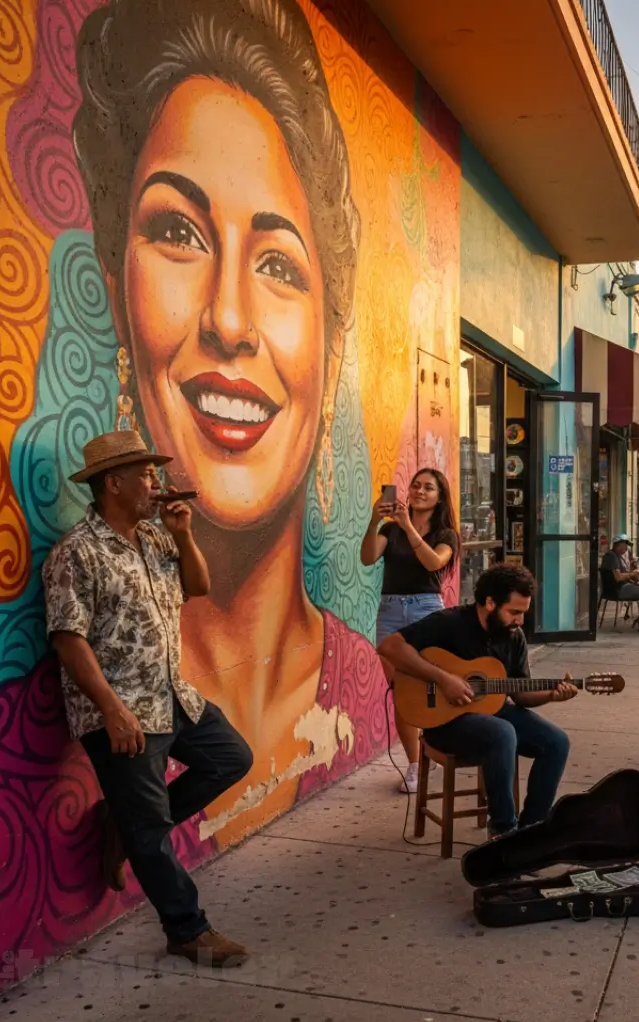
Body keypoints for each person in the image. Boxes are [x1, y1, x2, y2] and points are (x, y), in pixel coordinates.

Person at [70, 0, 382, 845]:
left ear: (333, 331)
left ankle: (144, 858)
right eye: (178, 232)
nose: (231, 322)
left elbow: (191, 586)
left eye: (279, 263)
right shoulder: (92, 554)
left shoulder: (364, 680)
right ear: (114, 286)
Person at [43, 430, 254, 967]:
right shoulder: (77, 552)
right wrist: (113, 710)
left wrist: (183, 535)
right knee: (152, 834)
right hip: (123, 713)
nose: (157, 484)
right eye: (146, 475)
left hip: (174, 697)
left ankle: (126, 825)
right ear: (113, 483)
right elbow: (68, 639)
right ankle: (187, 928)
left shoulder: (156, 537)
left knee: (232, 758)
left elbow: (198, 587)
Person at [377, 563, 575, 837]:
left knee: (556, 742)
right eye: (514, 612)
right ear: (490, 602)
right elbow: (389, 647)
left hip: (492, 714)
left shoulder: (513, 637)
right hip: (444, 723)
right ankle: (503, 833)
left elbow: (520, 694)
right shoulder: (449, 623)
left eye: (523, 613)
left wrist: (552, 695)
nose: (520, 621)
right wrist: (444, 680)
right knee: (502, 732)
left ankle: (531, 833)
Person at [361, 469, 460, 793]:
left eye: (428, 487)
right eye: (415, 485)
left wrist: (407, 527)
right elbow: (367, 557)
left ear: (439, 496)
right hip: (389, 612)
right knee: (402, 694)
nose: (418, 491)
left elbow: (433, 563)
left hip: (426, 611)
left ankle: (439, 752)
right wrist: (374, 521)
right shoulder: (392, 530)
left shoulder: (446, 534)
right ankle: (415, 765)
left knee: (431, 689)